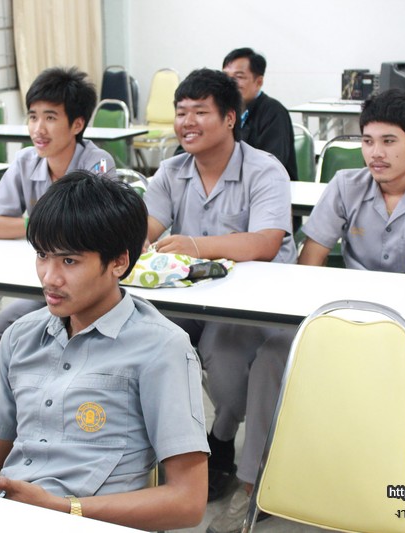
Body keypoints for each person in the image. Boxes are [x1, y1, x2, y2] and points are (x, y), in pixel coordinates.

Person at [206, 88, 405, 533]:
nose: (375, 153)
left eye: (389, 141)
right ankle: (255, 486)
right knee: (273, 358)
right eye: (368, 141)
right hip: (343, 323)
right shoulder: (345, 185)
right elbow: (309, 265)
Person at [0, 170, 209, 531]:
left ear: (118, 262)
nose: (49, 277)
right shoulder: (19, 338)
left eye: (69, 261)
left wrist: (63, 510)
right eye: (42, 255)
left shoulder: (161, 348)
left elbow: (187, 502)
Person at [142, 68, 296, 517]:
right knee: (143, 337)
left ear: (230, 118)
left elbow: (265, 243)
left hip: (251, 302)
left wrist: (194, 245)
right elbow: (144, 229)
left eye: (200, 112)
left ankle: (223, 436)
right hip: (193, 295)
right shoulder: (172, 171)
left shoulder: (264, 169)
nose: (186, 122)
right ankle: (157, 448)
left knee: (223, 359)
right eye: (181, 112)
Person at [0, 66, 116, 371]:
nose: (38, 129)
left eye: (50, 118)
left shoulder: (97, 164)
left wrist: (38, 229)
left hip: (89, 291)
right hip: (45, 286)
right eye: (32, 117)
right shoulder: (26, 161)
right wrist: (35, 224)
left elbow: (94, 234)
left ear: (77, 124)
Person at [222, 47, 298, 181]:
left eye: (238, 77)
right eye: (226, 76)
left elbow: (271, 164)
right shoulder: (222, 111)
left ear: (259, 82)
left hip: (268, 187)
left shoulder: (274, 112)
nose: (230, 83)